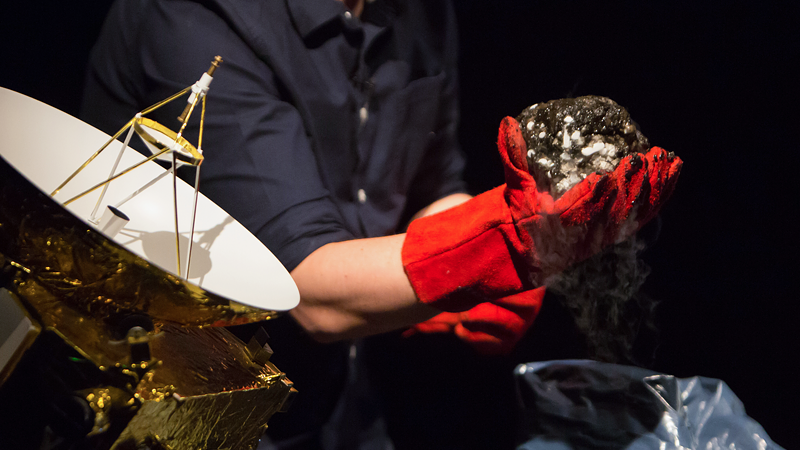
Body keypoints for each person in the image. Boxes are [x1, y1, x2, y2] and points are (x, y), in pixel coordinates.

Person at [81, 0, 681, 447]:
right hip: (187, 412)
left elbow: (431, 184)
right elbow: (307, 290)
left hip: (345, 404)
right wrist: (503, 246)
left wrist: (480, 250)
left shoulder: (419, 12)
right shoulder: (195, 16)